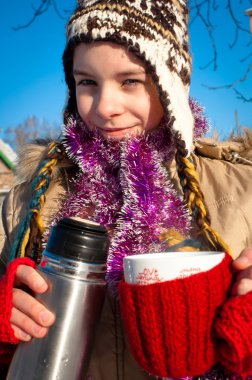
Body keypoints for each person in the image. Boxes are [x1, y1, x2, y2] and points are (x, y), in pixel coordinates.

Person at [0, 0, 252, 379]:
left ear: (171, 82)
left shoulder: (241, 191)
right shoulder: (28, 202)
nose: (105, 107)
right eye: (87, 82)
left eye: (130, 81)